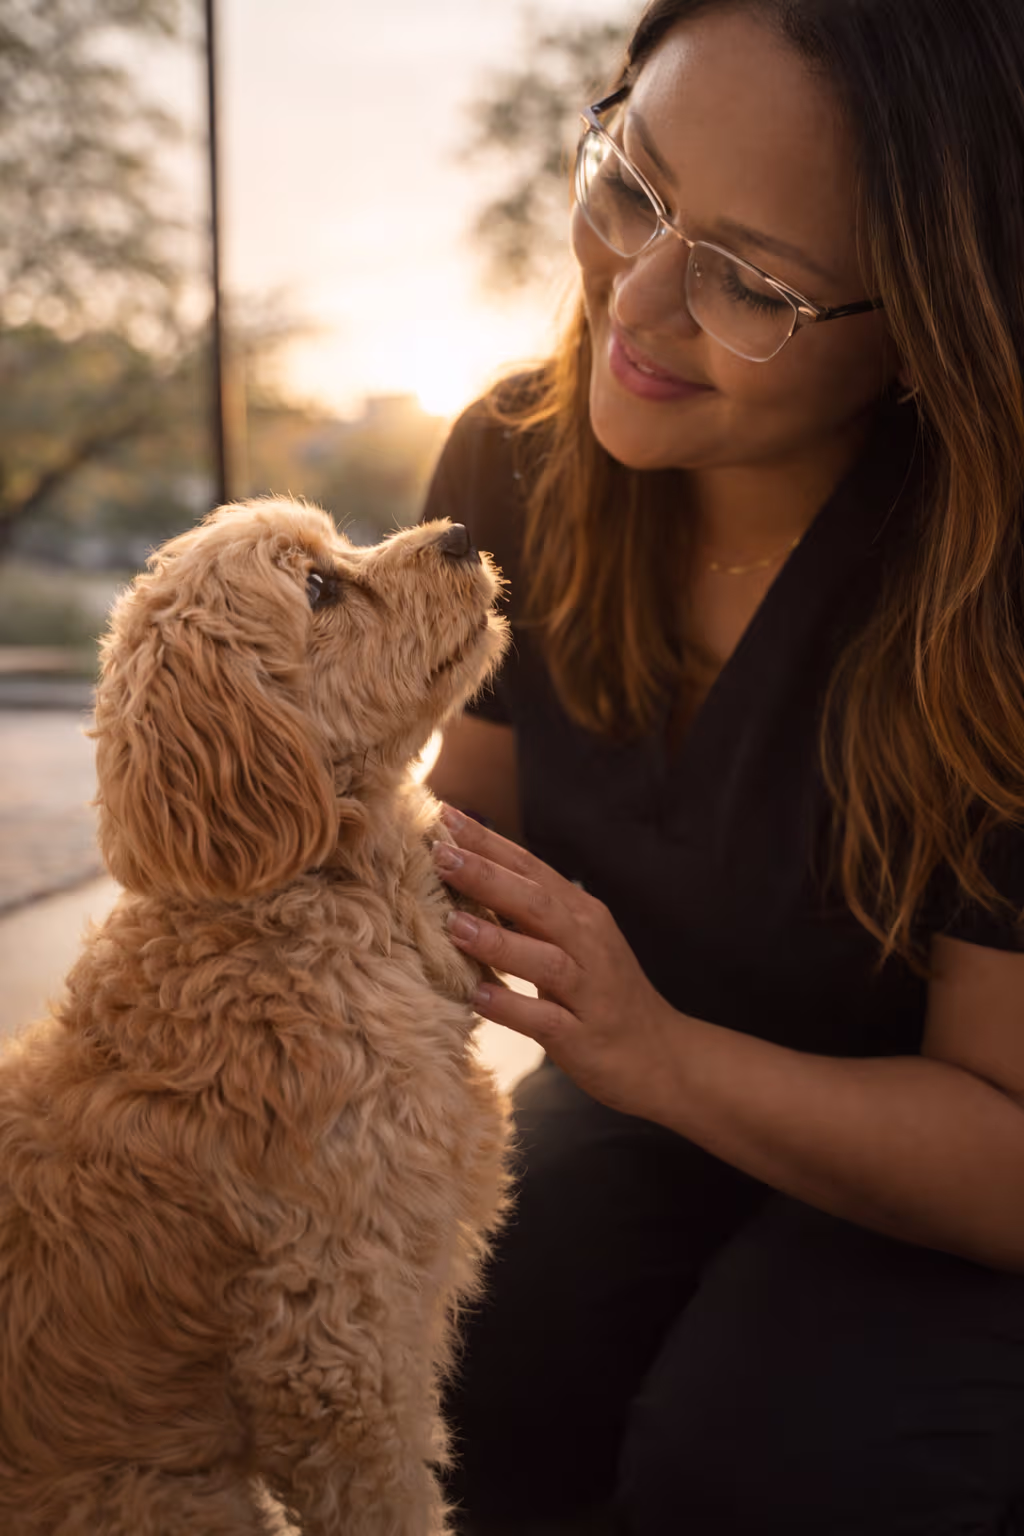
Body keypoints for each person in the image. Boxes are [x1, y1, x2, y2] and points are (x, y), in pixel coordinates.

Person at [421, 1, 1024, 1531]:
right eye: (632, 180)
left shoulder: (998, 600)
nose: (638, 295)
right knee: (460, 1352)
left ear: (935, 324)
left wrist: (657, 1052)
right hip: (645, 1094)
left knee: (766, 1461)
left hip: (952, 1174)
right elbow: (456, 840)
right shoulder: (513, 451)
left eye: (754, 280)